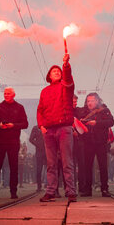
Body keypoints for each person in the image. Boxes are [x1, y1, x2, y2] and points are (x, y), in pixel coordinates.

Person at [37, 54, 77, 203]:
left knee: (67, 162)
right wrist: (41, 125)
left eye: (59, 71)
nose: (57, 72)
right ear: (49, 75)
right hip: (49, 130)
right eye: (54, 71)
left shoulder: (66, 86)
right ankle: (51, 192)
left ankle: (71, 191)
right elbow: (40, 110)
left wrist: (66, 65)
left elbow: (68, 79)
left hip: (64, 128)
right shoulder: (44, 91)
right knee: (51, 163)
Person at [0, 87, 28, 199]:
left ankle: (13, 191)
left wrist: (14, 125)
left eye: (8, 93)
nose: (6, 95)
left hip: (13, 141)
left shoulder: (19, 108)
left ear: (13, 95)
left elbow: (25, 124)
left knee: (14, 166)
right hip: (0, 141)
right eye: (5, 93)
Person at [80, 93, 114, 197]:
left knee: (103, 166)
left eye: (92, 100)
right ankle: (87, 189)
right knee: (87, 167)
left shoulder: (104, 110)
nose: (89, 103)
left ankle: (105, 189)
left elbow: (111, 122)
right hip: (88, 142)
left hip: (101, 142)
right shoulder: (84, 112)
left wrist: (97, 123)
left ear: (97, 101)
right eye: (88, 101)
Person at [29, 125, 47, 192]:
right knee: (40, 169)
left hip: (45, 150)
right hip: (41, 151)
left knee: (47, 168)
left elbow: (31, 139)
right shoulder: (36, 128)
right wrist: (38, 144)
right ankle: (40, 186)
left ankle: (44, 185)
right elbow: (31, 139)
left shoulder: (37, 128)